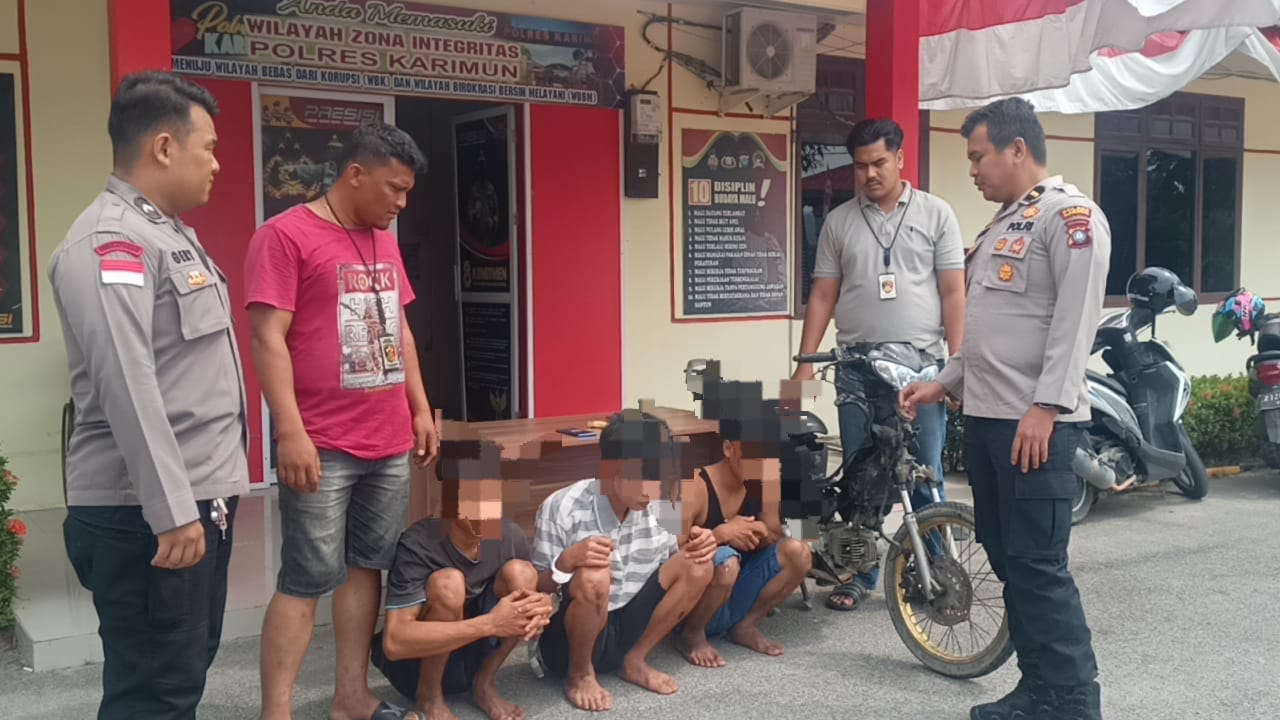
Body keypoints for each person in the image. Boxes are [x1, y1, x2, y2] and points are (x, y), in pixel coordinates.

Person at [901, 97, 1109, 720]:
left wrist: (1047, 406)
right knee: (1008, 562)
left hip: (1035, 429)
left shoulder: (1072, 218)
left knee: (1039, 568)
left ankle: (1073, 701)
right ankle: (1037, 687)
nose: (972, 169)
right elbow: (993, 331)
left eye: (977, 155)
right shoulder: (1002, 226)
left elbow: (1075, 326)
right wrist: (944, 380)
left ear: (1017, 148)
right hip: (991, 422)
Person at [49, 70, 250, 718]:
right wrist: (172, 511)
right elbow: (126, 383)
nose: (217, 163)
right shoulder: (112, 241)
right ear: (164, 147)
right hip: (151, 516)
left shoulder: (169, 235)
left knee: (181, 671)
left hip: (192, 504)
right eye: (209, 147)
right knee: (154, 692)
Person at [246, 122, 440, 720]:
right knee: (305, 577)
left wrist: (420, 406)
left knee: (366, 569)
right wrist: (290, 430)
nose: (401, 203)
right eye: (394, 188)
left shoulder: (383, 239)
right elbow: (266, 337)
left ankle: (350, 696)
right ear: (355, 175)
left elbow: (399, 329)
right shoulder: (284, 237)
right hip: (321, 443)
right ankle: (275, 712)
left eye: (407, 192)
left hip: (385, 441)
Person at [791, 118, 966, 611]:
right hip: (857, 367)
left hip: (922, 369)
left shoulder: (937, 214)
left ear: (901, 159)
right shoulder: (840, 221)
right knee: (861, 475)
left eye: (879, 163)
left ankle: (935, 570)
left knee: (924, 472)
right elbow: (824, 292)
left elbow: (954, 291)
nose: (869, 174)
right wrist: (805, 363)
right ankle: (859, 572)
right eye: (861, 166)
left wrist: (958, 366)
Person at [531, 410, 717, 712]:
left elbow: (671, 563)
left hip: (631, 624)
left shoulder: (663, 501)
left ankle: (635, 660)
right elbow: (535, 587)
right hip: (568, 638)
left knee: (699, 562)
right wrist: (566, 562)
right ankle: (580, 674)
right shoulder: (561, 506)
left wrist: (701, 541)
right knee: (594, 575)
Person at [371, 448, 554, 720]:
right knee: (449, 583)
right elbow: (395, 643)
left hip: (474, 655)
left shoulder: (508, 536)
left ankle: (484, 684)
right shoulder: (418, 544)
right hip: (416, 666)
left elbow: (530, 604)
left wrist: (542, 607)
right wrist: (491, 624)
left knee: (523, 575)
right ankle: (430, 697)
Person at [675, 413, 812, 668]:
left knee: (799, 552)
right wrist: (720, 535)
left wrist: (759, 531)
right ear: (728, 448)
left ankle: (744, 625)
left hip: (738, 585)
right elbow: (670, 555)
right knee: (727, 563)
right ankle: (691, 634)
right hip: (695, 595)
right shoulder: (694, 485)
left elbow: (773, 535)